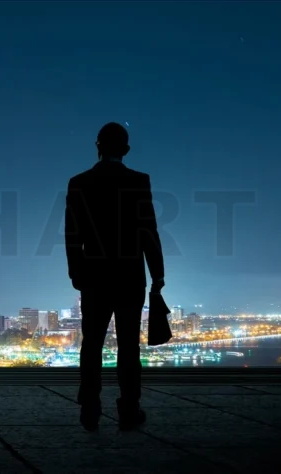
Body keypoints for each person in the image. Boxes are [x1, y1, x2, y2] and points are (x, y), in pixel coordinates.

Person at [64, 122, 165, 431]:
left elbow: (72, 235)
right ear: (126, 150)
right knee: (129, 347)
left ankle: (90, 408)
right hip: (130, 276)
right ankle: (129, 410)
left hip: (93, 277)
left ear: (97, 147)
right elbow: (149, 232)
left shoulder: (79, 183)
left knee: (91, 344)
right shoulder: (139, 182)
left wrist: (76, 274)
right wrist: (157, 275)